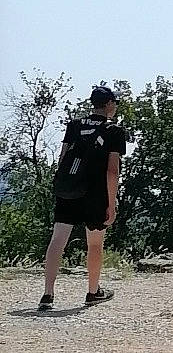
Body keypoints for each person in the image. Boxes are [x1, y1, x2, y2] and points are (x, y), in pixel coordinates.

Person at [38, 84, 126, 312]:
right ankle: (93, 291)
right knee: (95, 244)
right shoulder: (113, 131)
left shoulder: (75, 125)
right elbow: (112, 171)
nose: (115, 106)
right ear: (108, 105)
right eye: (114, 103)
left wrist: (65, 184)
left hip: (69, 189)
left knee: (58, 240)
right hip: (96, 194)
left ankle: (48, 294)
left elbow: (63, 157)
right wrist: (111, 202)